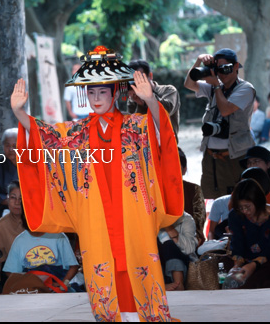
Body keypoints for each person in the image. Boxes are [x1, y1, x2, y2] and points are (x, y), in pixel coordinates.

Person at [11, 46, 183, 321]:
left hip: (132, 213)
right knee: (103, 271)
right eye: (90, 92)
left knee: (138, 265)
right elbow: (45, 138)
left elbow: (161, 134)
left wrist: (151, 102)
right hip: (96, 216)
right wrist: (20, 114)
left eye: (102, 91)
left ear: (116, 92)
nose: (96, 98)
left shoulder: (135, 126)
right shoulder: (76, 133)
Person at [184, 48, 255, 199]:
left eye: (226, 68)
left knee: (237, 200)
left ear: (236, 66)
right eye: (218, 70)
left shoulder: (246, 89)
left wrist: (216, 85)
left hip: (236, 156)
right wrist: (199, 61)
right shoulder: (214, 86)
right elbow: (189, 84)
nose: (222, 74)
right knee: (210, 199)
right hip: (211, 156)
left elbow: (225, 110)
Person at [3, 209, 79, 289]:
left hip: (56, 285)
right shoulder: (19, 241)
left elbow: (73, 267)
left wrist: (63, 283)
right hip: (31, 287)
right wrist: (24, 283)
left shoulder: (58, 236)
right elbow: (10, 271)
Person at [228, 179, 270, 289]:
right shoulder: (235, 215)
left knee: (258, 281)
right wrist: (236, 266)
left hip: (269, 260)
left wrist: (254, 265)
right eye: (240, 207)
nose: (244, 211)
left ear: (258, 201)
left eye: (247, 206)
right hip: (244, 259)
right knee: (226, 273)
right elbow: (237, 243)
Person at [128, 59, 181, 140]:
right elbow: (135, 127)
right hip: (145, 148)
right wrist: (140, 104)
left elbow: (166, 112)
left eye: (141, 78)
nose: (138, 82)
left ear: (151, 76)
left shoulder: (168, 90)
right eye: (134, 79)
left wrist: (148, 95)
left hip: (168, 146)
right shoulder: (133, 99)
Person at [0, 181, 25, 291]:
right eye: (13, 198)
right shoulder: (0, 225)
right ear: (7, 199)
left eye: (21, 198)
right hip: (11, 273)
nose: (17, 202)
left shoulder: (36, 222)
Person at [157, 212, 197, 291]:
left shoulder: (186, 218)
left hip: (182, 260)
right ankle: (161, 285)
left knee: (169, 245)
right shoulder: (149, 219)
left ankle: (178, 283)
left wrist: (169, 228)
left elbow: (189, 249)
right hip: (157, 262)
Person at [179, 148, 206, 246]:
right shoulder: (156, 191)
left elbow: (198, 223)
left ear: (184, 170)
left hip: (189, 240)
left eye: (177, 167)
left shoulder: (193, 189)